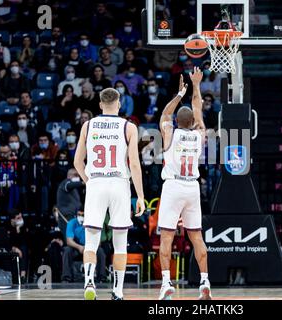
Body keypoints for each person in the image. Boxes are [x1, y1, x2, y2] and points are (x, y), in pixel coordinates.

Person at [74, 88, 145, 300]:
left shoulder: (88, 125)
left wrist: (90, 181)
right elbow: (133, 163)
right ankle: (118, 291)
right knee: (120, 242)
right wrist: (140, 195)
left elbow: (78, 162)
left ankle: (89, 282)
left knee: (91, 241)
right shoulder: (129, 127)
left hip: (96, 182)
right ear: (119, 104)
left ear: (100, 104)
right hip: (119, 184)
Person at [157, 68, 211, 300]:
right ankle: (205, 282)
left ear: (177, 122)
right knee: (196, 236)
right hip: (192, 187)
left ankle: (166, 283)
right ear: (192, 122)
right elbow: (197, 109)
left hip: (173, 186)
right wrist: (196, 86)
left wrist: (180, 94)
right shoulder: (200, 134)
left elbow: (163, 116)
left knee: (167, 237)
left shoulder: (170, 132)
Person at [61, 209, 106, 283]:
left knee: (100, 251)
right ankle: (66, 278)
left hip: (90, 248)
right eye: (79, 215)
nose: (81, 217)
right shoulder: (72, 223)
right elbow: (69, 241)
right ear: (76, 215)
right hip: (76, 247)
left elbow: (98, 242)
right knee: (67, 250)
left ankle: (101, 278)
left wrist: (89, 248)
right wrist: (79, 247)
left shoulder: (93, 224)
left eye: (83, 215)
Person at [56, 168, 85, 235]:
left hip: (73, 215)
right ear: (69, 175)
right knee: (70, 237)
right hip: (66, 216)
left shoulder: (74, 189)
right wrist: (83, 182)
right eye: (75, 175)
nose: (77, 177)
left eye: (78, 175)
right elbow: (69, 185)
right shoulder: (65, 182)